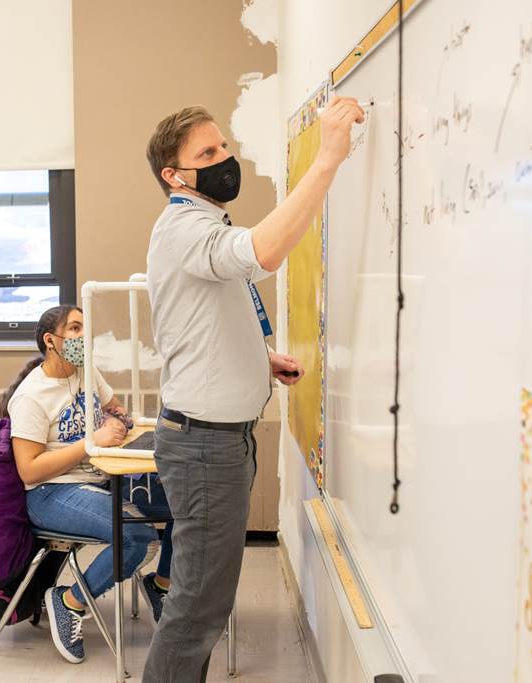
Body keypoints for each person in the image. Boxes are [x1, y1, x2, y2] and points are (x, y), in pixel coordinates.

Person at [141, 97, 364, 681]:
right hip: (205, 447)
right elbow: (263, 253)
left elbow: (200, 322)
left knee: (200, 605)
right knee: (195, 610)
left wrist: (260, 361)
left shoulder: (204, 226)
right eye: (207, 153)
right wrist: (327, 160)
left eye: (224, 146)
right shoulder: (183, 227)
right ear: (175, 176)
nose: (225, 158)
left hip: (219, 440)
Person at [2, 304, 175, 664]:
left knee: (185, 504)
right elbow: (29, 471)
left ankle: (160, 585)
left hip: (100, 479)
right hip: (53, 492)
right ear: (51, 340)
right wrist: (91, 441)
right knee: (137, 538)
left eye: (85, 328)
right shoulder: (31, 397)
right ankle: (70, 601)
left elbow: (114, 408)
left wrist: (123, 421)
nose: (85, 336)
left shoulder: (86, 369)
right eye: (76, 329)